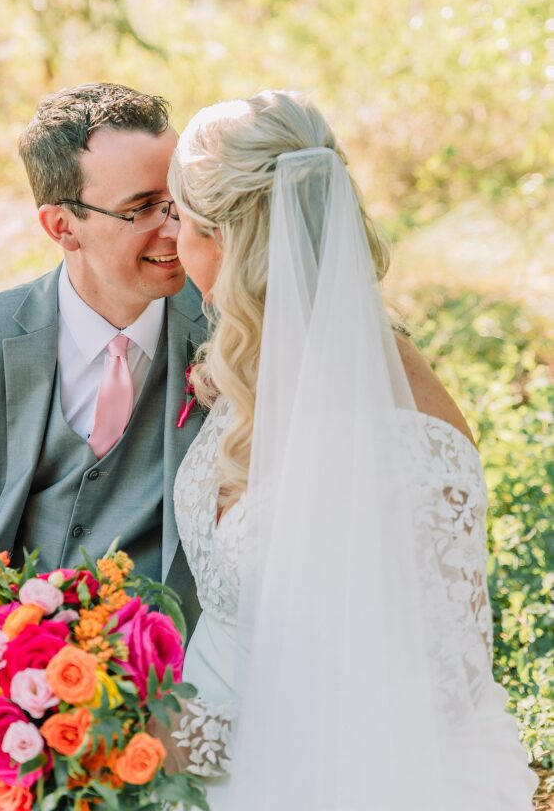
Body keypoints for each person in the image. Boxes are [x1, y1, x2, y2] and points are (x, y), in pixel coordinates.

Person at [164, 90, 538, 809]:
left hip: (295, 774)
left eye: (178, 218)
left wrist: (194, 736)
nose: (169, 240)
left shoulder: (398, 438)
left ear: (221, 241)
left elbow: (410, 694)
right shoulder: (257, 359)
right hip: (188, 734)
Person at [0, 83, 206, 810]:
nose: (175, 229)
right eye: (142, 208)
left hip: (171, 705)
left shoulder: (235, 338)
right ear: (62, 225)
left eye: (180, 199)